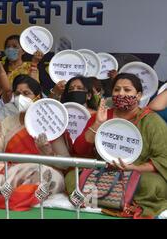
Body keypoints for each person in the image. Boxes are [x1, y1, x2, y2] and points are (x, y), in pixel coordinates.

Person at [0, 76, 68, 210]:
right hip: (10, 170)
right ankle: (5, 190)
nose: (20, 97)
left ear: (37, 97)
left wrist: (49, 154)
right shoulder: (8, 121)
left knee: (47, 175)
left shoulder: (50, 123)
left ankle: (2, 192)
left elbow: (65, 164)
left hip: (35, 171)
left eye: (26, 93)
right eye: (17, 93)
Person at [65, 73, 167, 218]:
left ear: (138, 95)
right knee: (71, 178)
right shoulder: (102, 115)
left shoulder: (152, 121)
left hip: (137, 174)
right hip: (103, 172)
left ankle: (113, 201)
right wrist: (98, 124)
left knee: (153, 185)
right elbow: (80, 151)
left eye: (127, 90)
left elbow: (163, 159)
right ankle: (110, 200)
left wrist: (135, 168)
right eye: (117, 90)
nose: (121, 93)